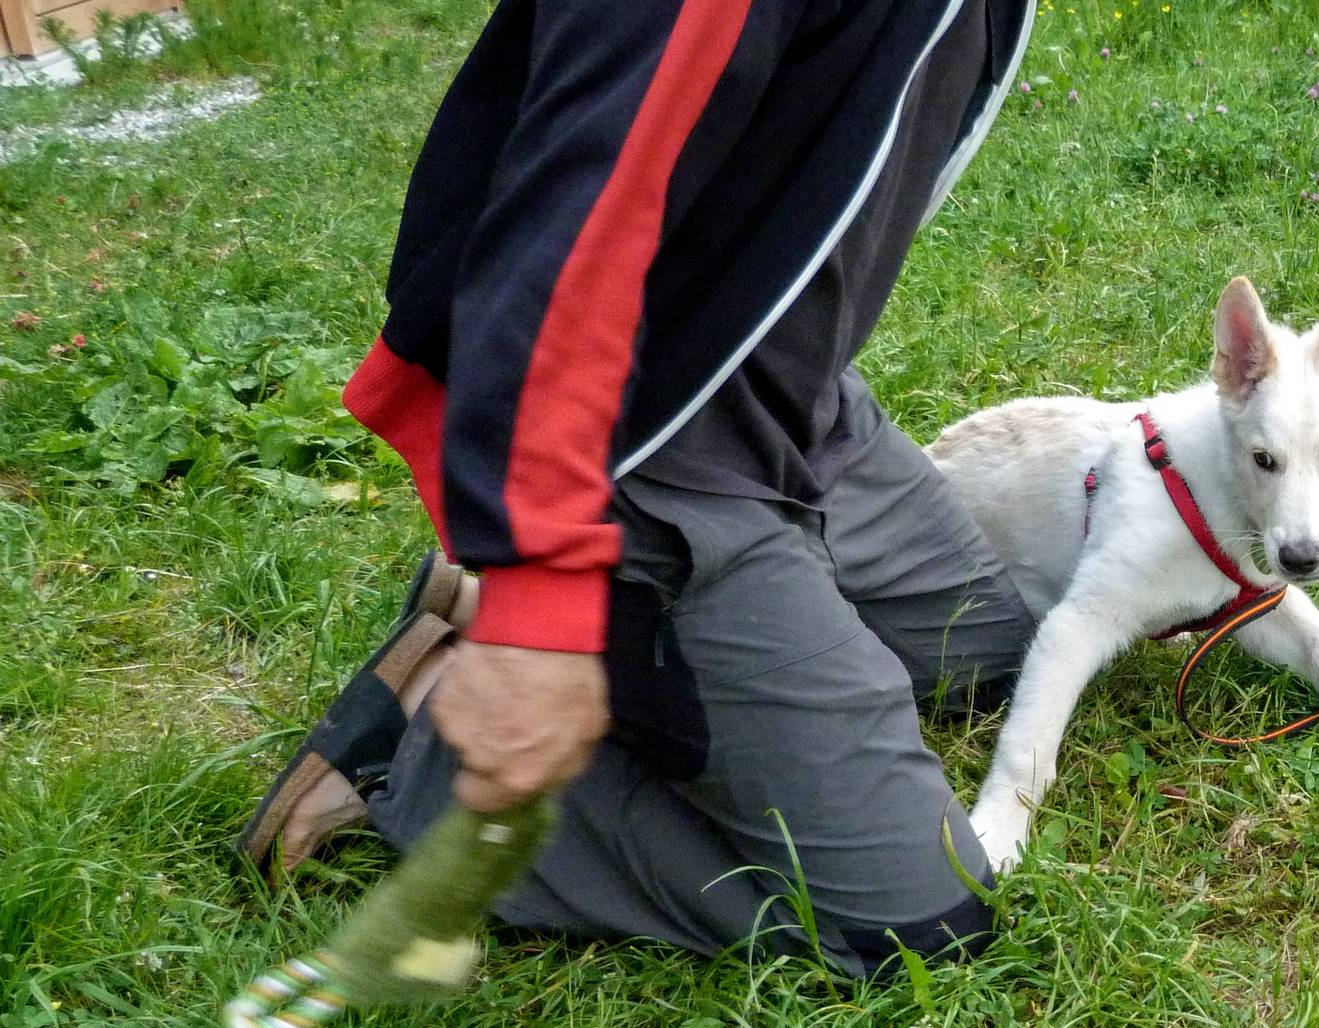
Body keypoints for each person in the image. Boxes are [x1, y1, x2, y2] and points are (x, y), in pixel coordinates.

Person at [236, 0, 1038, 978]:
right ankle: (429, 752)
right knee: (918, 922)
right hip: (637, 449)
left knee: (992, 660)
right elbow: (566, 224)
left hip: (780, 398)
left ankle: (669, 651)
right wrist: (539, 587)